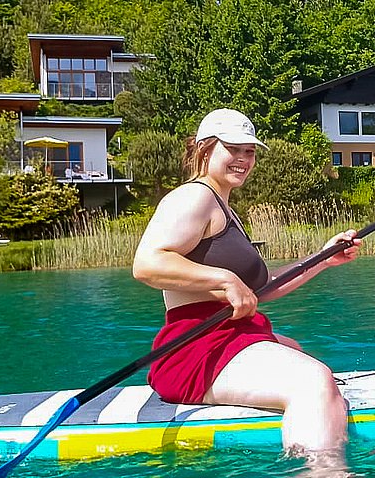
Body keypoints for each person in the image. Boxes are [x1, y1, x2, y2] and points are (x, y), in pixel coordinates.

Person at [132, 108, 363, 456]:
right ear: (204, 149)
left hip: (228, 337)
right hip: (197, 348)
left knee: (295, 349)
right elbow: (148, 263)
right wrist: (223, 279)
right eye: (234, 148)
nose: (243, 158)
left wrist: (322, 259)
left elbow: (262, 288)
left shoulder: (224, 208)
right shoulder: (194, 197)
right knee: (314, 382)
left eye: (250, 151)